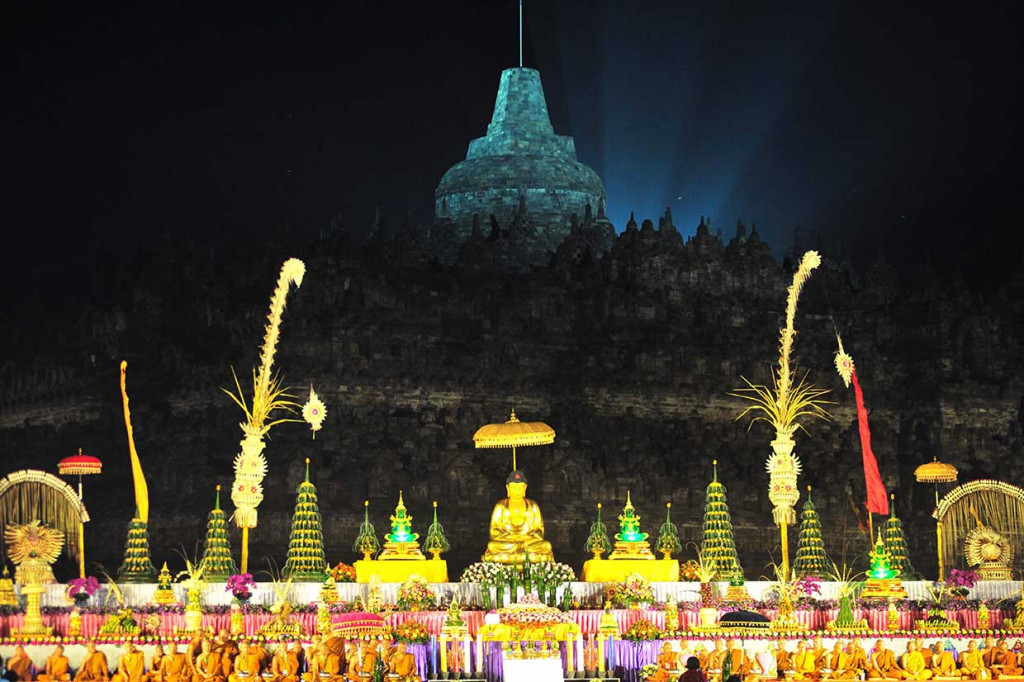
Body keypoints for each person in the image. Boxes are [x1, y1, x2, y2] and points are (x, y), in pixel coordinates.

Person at [481, 470, 555, 564]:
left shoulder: (533, 506)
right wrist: (511, 537)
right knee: (492, 546)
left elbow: (539, 530)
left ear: (525, 488)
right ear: (508, 488)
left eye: (520, 487)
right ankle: (523, 556)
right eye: (514, 487)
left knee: (546, 546)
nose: (517, 491)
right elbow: (494, 530)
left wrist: (525, 537)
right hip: (508, 542)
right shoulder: (501, 505)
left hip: (527, 542)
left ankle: (517, 555)